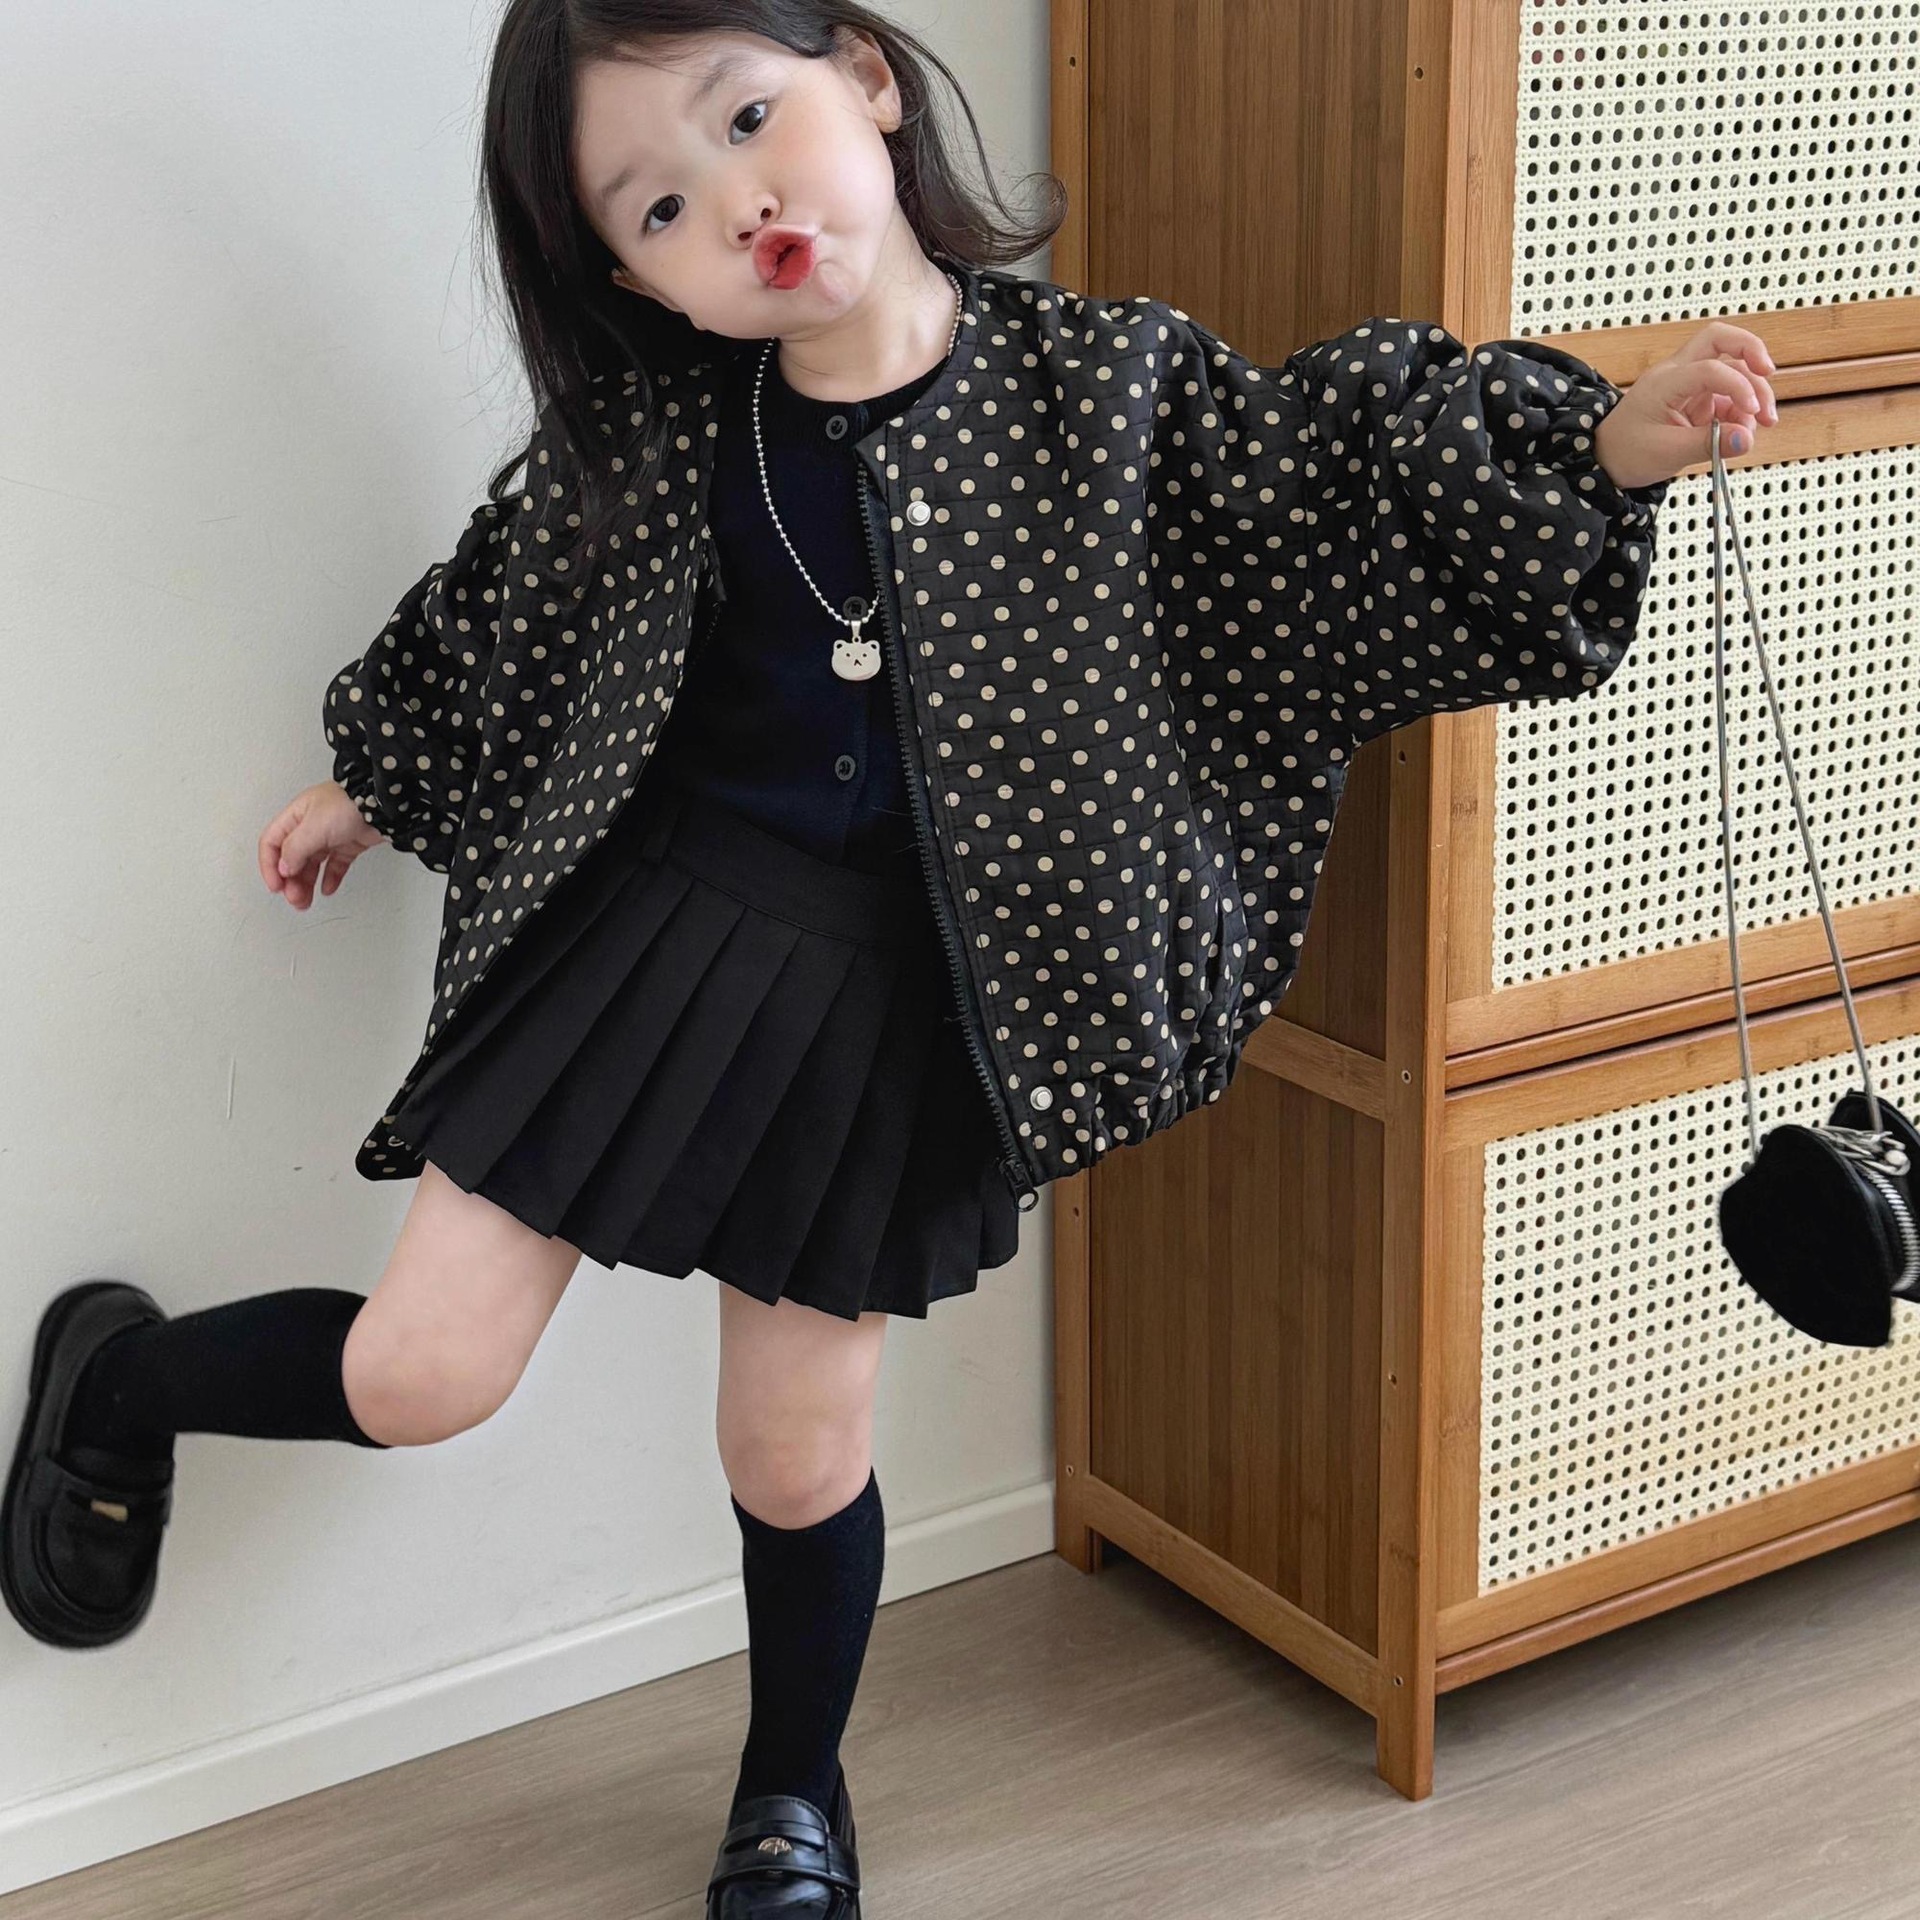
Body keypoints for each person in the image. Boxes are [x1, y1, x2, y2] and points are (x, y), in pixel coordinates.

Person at [3, 4, 1776, 1914]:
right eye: (658, 208)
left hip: (892, 999)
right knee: (424, 1373)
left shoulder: (1116, 396)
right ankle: (119, 1386)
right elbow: (516, 606)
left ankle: (790, 1795)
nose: (736, 203)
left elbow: (1329, 500)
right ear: (640, 283)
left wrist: (1600, 449)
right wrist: (377, 780)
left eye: (750, 116)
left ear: (863, 77)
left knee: (795, 1451)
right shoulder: (668, 434)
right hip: (646, 940)